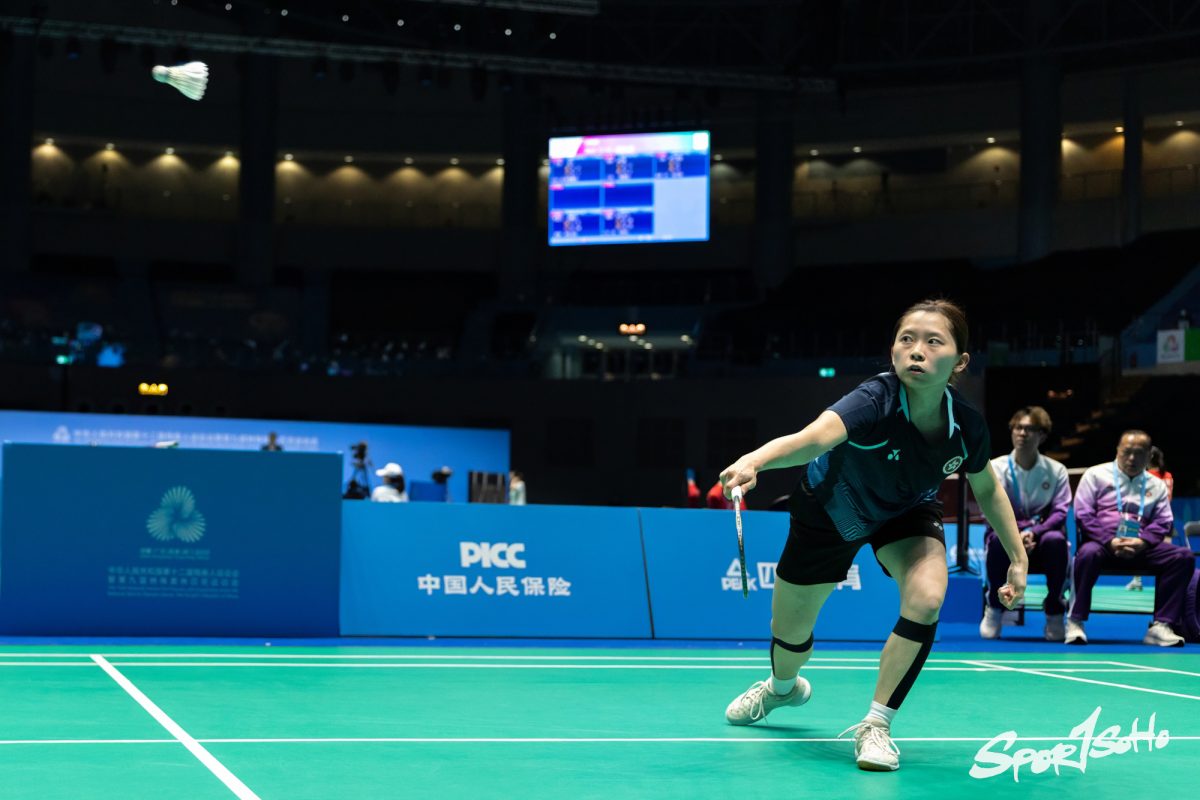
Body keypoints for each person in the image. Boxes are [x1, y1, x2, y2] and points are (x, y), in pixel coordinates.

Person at [719, 299, 1027, 772]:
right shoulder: (874, 399)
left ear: (960, 361)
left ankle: (877, 724)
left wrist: (1018, 558)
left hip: (906, 512)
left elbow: (986, 487)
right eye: (907, 339)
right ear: (893, 351)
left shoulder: (965, 425)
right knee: (790, 637)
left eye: (933, 342)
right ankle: (781, 689)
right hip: (831, 509)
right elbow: (812, 438)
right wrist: (754, 461)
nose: (917, 350)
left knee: (927, 597)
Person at [1068, 431, 1190, 647]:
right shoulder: (1095, 475)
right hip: (1102, 545)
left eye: (1139, 453)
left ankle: (1161, 625)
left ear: (1149, 456)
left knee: (1182, 557)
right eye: (1127, 452)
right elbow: (1083, 514)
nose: (1132, 458)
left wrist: (1143, 541)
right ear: (1117, 451)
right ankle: (1075, 621)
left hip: (1141, 546)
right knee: (1086, 554)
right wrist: (1109, 540)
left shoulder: (1156, 484)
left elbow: (1163, 521)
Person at [980, 406, 1072, 641]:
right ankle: (994, 607)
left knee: (1057, 540)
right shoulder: (996, 468)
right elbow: (989, 509)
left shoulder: (1057, 471)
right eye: (1018, 428)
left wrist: (1034, 532)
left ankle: (1054, 610)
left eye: (1029, 429)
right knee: (997, 541)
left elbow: (1060, 511)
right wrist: (1017, 535)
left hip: (1042, 539)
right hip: (1006, 538)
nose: (1022, 433)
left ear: (1042, 435)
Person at [1128, 445, 1176, 590]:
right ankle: (1163, 584)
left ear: (1148, 458)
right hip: (1167, 519)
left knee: (1135, 547)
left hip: (1148, 519)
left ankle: (1137, 580)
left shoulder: (1146, 476)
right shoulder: (1168, 475)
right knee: (1165, 553)